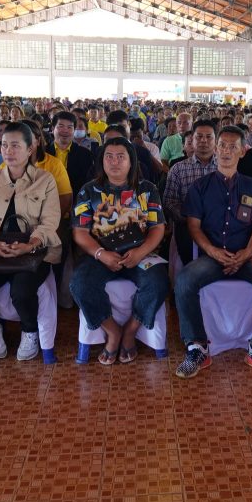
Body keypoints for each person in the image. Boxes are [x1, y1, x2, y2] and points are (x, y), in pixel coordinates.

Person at [174, 126, 252, 379]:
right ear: (216, 149)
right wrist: (212, 251)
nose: (226, 151)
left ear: (243, 151)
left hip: (249, 257)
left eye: (233, 147)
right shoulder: (200, 186)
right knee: (184, 280)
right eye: (222, 146)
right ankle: (197, 348)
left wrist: (247, 253)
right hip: (212, 256)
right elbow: (193, 226)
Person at [0, 122, 62, 361]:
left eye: (16, 146)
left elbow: (50, 221)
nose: (9, 151)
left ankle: (30, 331)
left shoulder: (45, 180)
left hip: (33, 251)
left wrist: (31, 244)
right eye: (5, 145)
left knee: (23, 291)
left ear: (30, 149)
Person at [70, 138, 168, 365]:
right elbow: (80, 233)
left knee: (159, 282)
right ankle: (112, 331)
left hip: (140, 254)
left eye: (120, 157)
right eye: (109, 157)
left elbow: (157, 228)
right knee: (79, 284)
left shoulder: (147, 189)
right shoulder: (89, 190)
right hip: (99, 256)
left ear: (131, 161)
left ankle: (131, 330)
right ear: (102, 161)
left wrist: (140, 252)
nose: (114, 162)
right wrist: (101, 254)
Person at [163, 120, 218, 267]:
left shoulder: (224, 166)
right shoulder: (178, 169)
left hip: (219, 226)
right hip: (186, 226)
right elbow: (169, 202)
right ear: (192, 140)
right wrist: (191, 217)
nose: (203, 141)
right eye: (199, 137)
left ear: (216, 141)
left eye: (209, 137)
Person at [50, 111, 95, 198]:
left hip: (75, 200)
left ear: (74, 130)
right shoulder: (42, 153)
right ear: (52, 129)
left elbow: (87, 184)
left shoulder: (85, 155)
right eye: (61, 126)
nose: (65, 131)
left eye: (70, 127)